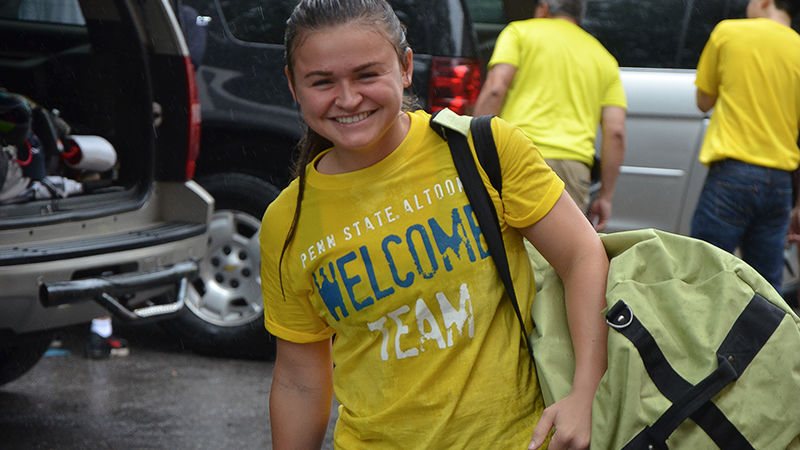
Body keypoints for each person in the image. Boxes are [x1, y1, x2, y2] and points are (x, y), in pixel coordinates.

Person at [259, 1, 609, 448]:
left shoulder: (484, 149)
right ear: (294, 85)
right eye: (322, 82)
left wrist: (586, 392)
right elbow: (299, 381)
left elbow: (582, 255)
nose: (347, 99)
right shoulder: (285, 222)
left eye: (367, 75)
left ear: (405, 67)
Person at [473, 0, 626, 232]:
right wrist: (605, 196)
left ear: (544, 7)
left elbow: (495, 88)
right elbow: (616, 133)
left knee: (506, 248)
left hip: (517, 156)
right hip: (573, 172)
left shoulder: (520, 32)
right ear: (579, 16)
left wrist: (474, 148)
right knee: (558, 259)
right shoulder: (604, 58)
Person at [691, 0, 800, 292]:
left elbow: (704, 101)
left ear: (764, 1)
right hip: (780, 184)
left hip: (732, 175)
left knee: (705, 275)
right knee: (765, 289)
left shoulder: (728, 33)